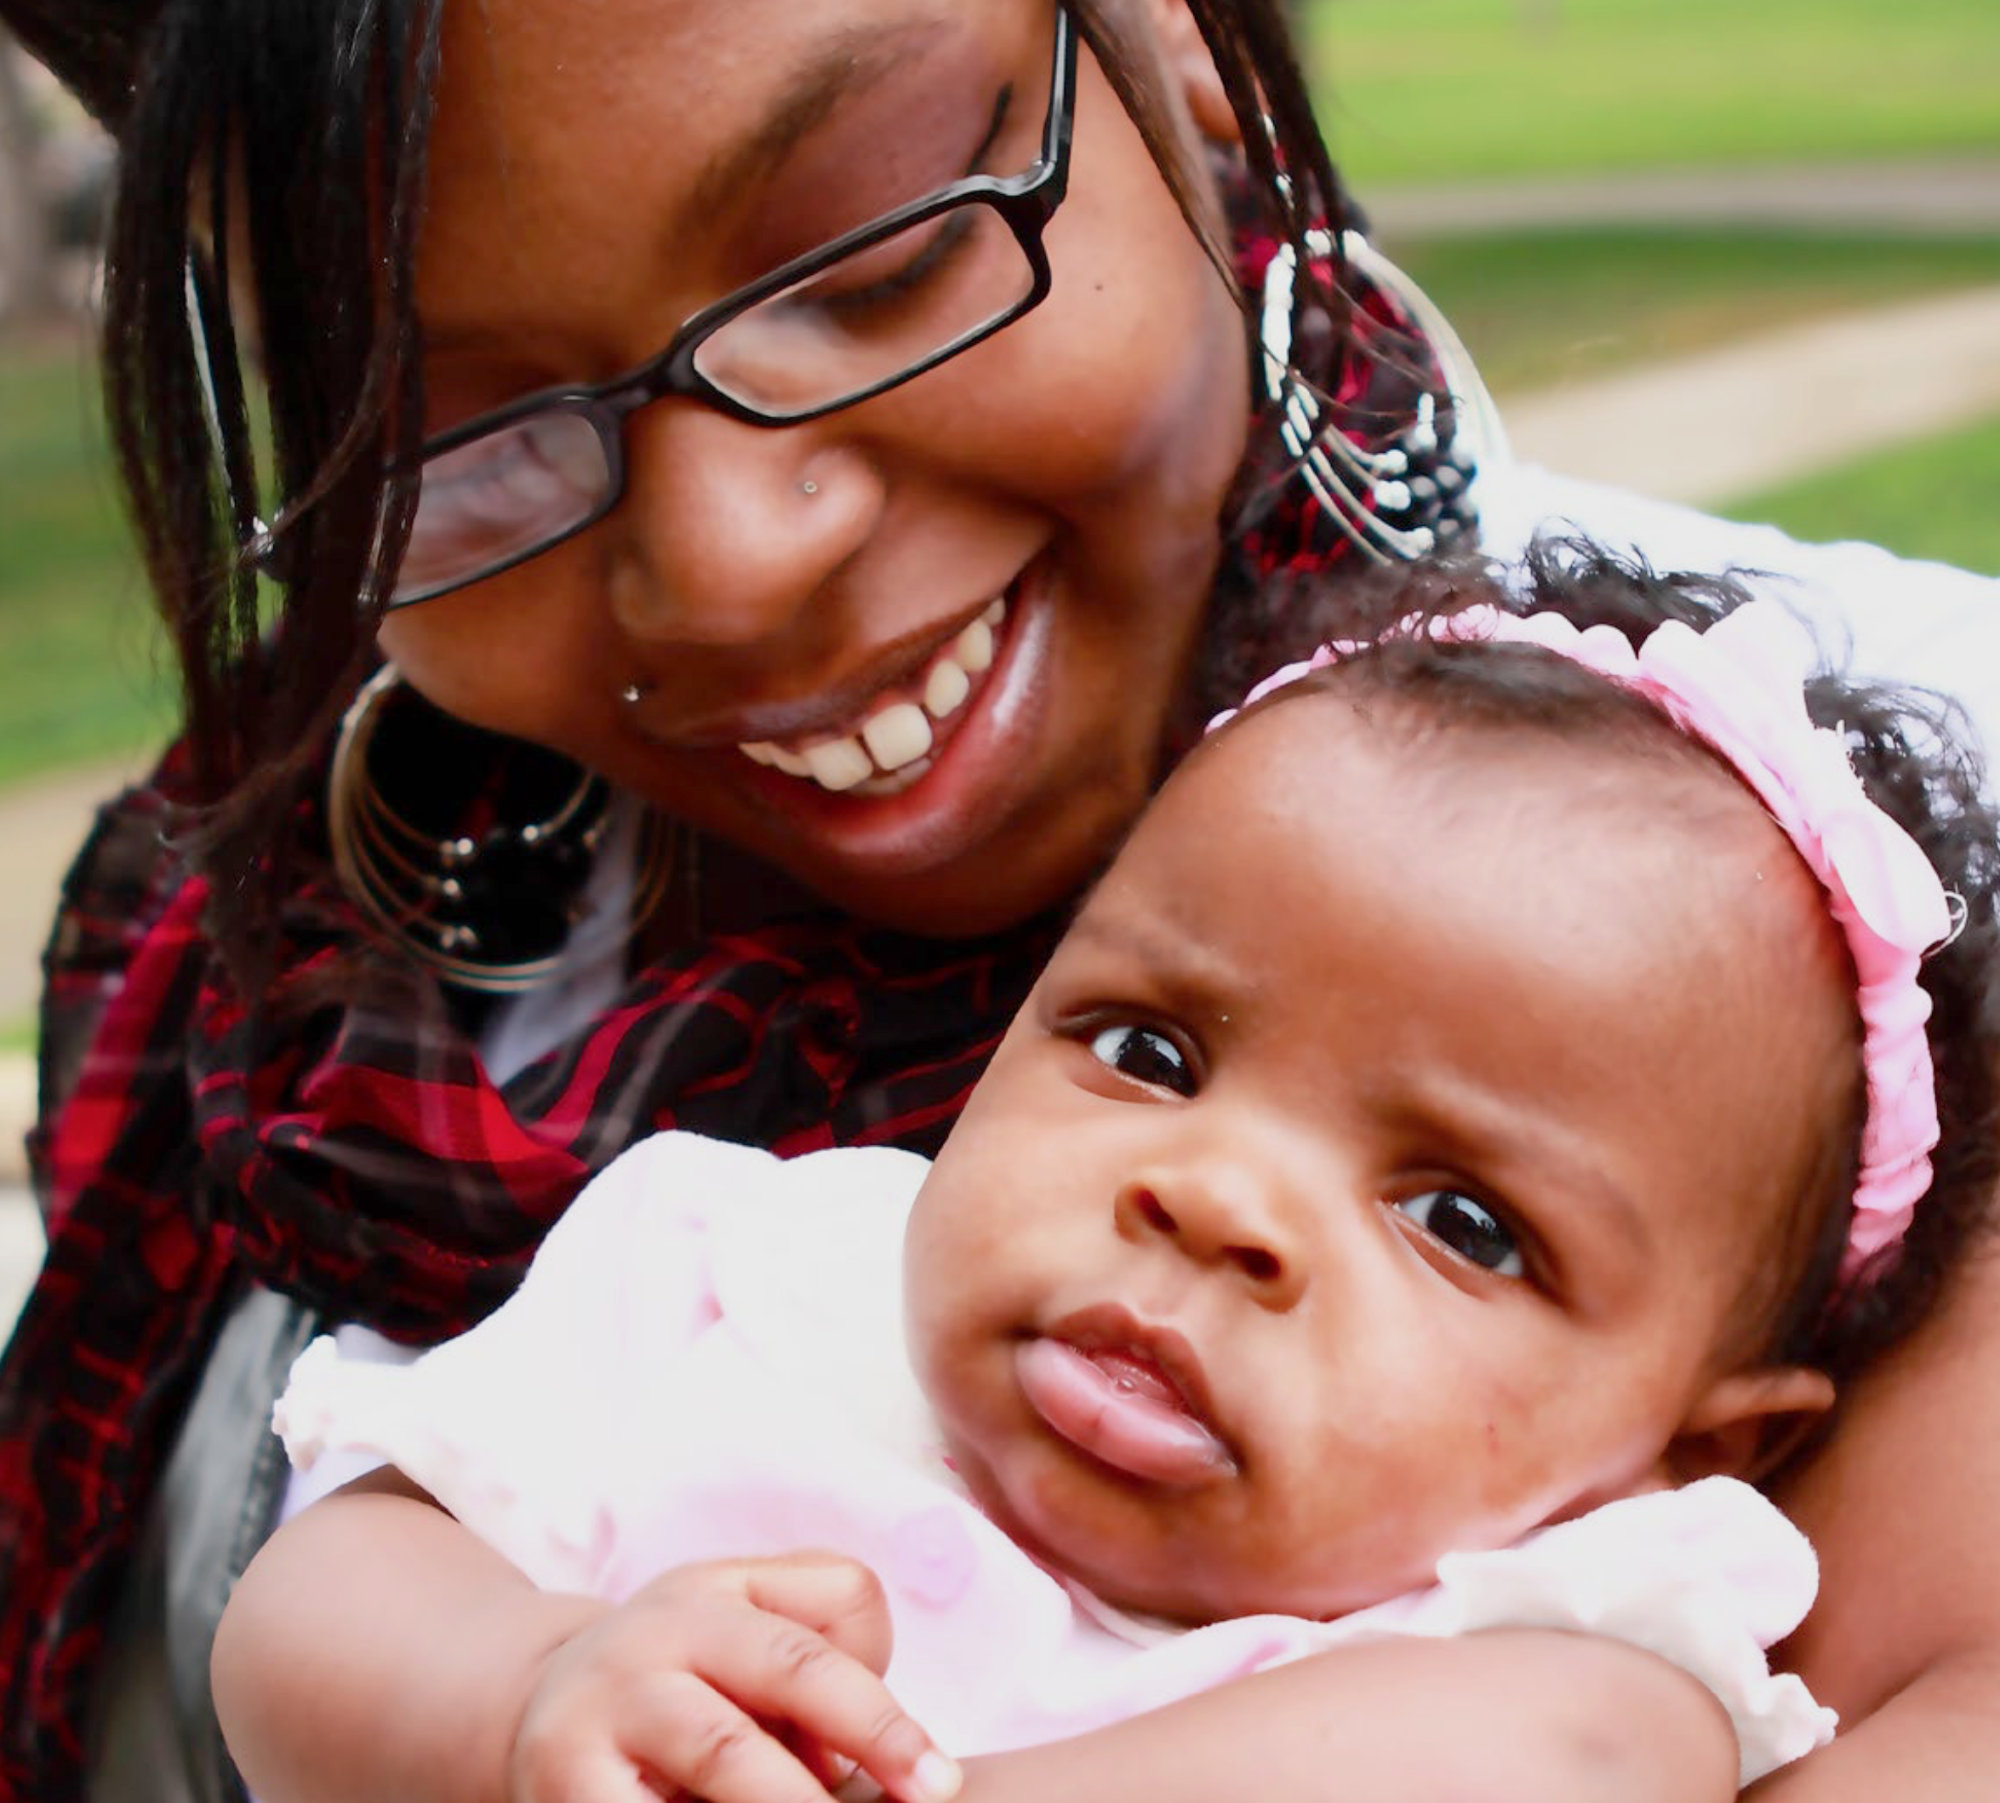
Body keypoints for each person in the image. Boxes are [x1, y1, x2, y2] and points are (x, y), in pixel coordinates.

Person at [1, 0, 1998, 1798]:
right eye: (450, 434)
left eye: (876, 256)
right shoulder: (369, 1032)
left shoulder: (1833, 936)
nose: (728, 567)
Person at [208, 549, 2000, 1803]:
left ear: (1692, 1447)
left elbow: (1578, 1775)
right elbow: (309, 1605)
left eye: (1463, 1220)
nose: (1215, 1198)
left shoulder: (1544, 1646)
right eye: (1150, 1051)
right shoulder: (746, 1279)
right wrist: (519, 1697)